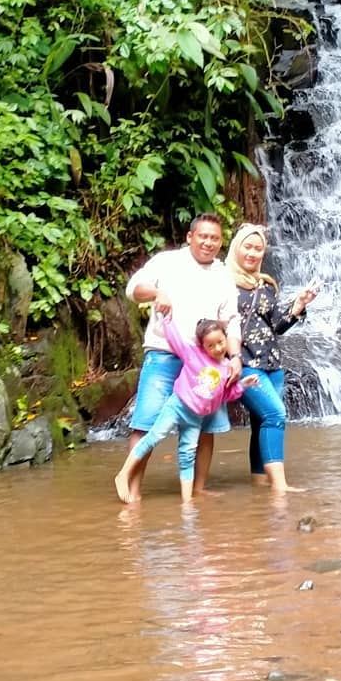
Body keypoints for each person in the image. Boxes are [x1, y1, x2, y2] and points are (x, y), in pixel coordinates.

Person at [124, 214, 242, 500]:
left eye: (215, 238)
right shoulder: (166, 262)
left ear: (221, 242)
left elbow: (231, 320)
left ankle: (198, 490)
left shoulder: (223, 274)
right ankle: (132, 491)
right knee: (146, 421)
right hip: (165, 354)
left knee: (206, 426)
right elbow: (133, 291)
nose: (208, 243)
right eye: (203, 236)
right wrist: (157, 291)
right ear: (190, 237)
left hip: (207, 362)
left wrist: (235, 356)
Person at [114, 315, 257, 504]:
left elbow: (224, 395)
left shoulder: (226, 368)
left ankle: (187, 501)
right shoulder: (194, 355)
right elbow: (176, 340)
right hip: (177, 407)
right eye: (211, 346)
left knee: (187, 454)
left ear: (226, 338)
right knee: (153, 437)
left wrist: (243, 385)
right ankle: (123, 474)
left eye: (220, 342)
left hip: (196, 418)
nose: (217, 348)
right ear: (202, 346)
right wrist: (166, 319)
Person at [226, 223, 317, 493]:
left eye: (258, 249)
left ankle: (260, 484)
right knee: (275, 414)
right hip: (243, 364)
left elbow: (275, 325)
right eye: (248, 247)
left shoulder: (266, 285)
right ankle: (280, 487)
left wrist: (299, 305)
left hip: (272, 366)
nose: (253, 253)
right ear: (236, 248)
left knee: (260, 421)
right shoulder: (222, 283)